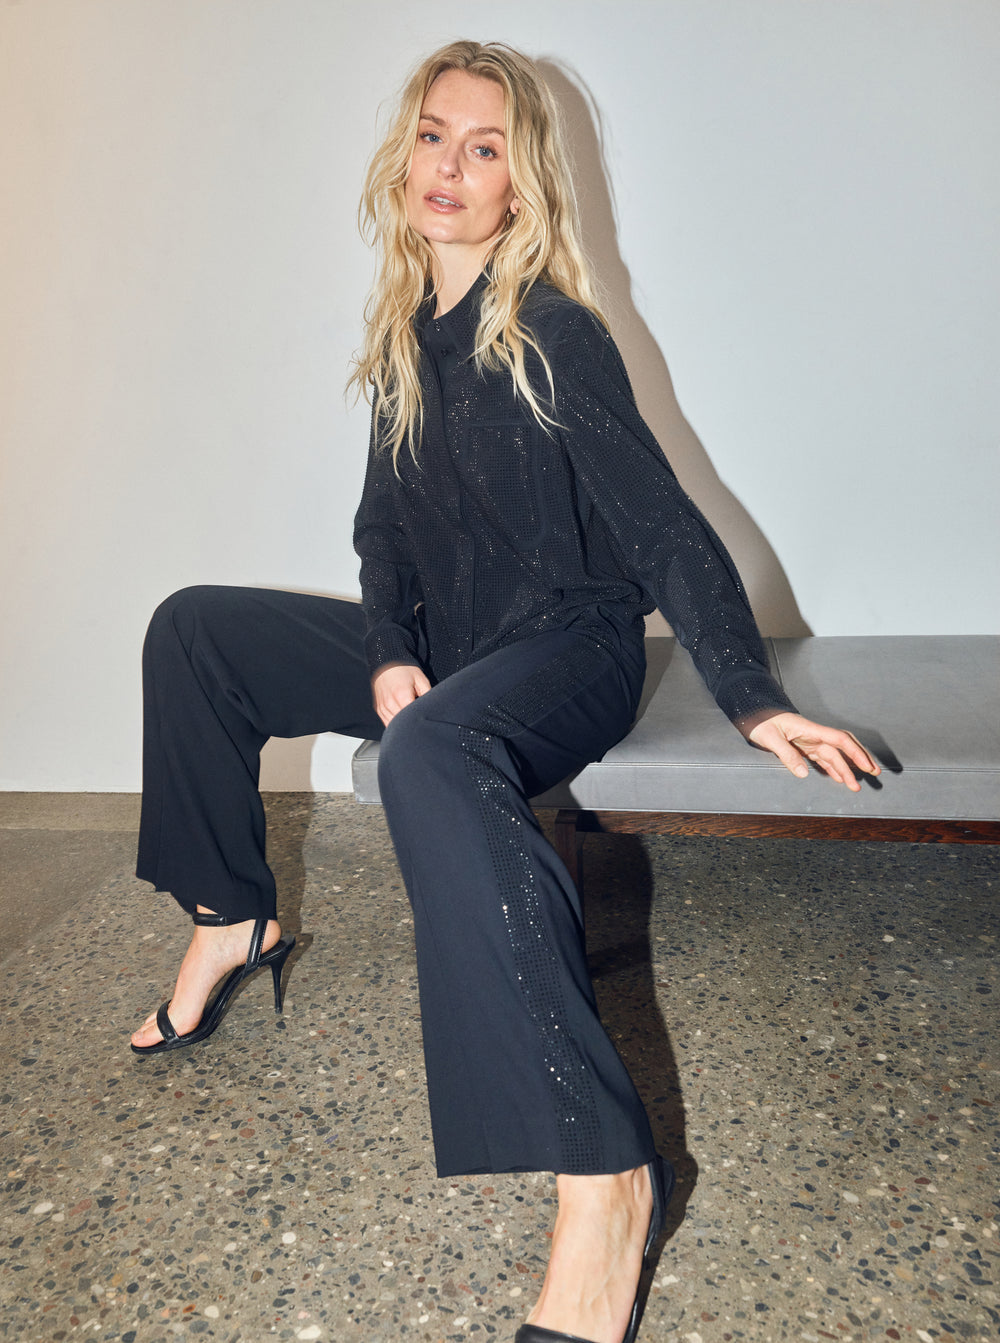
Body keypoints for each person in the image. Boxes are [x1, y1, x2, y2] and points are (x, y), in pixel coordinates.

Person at [130, 40, 880, 1343]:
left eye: (484, 148)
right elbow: (381, 536)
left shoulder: (553, 332)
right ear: (403, 157)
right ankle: (231, 916)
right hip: (454, 649)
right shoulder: (401, 340)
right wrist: (386, 649)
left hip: (570, 646)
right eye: (434, 135)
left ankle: (607, 1173)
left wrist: (752, 694)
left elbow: (662, 523)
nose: (451, 165)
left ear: (518, 186)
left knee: (426, 753)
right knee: (197, 629)